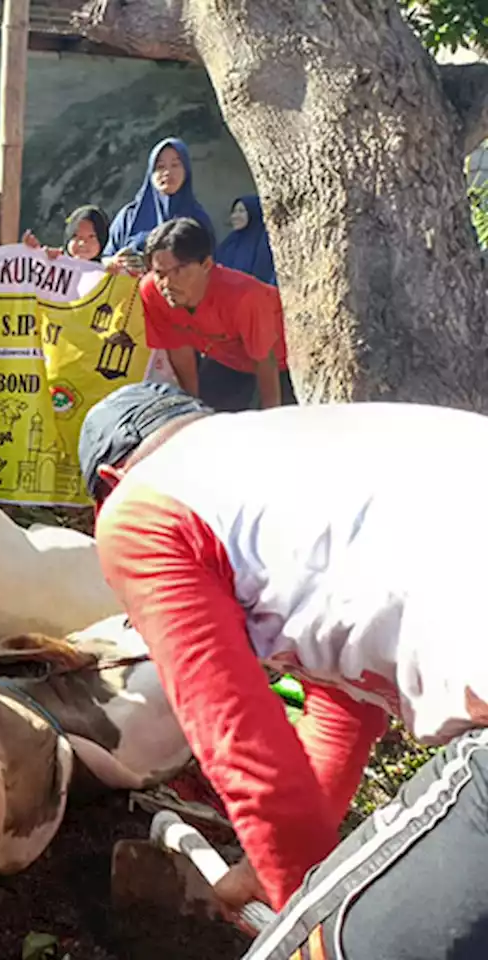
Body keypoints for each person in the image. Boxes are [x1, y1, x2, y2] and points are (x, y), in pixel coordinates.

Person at [78, 380, 488, 959]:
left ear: (108, 488)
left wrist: (302, 916)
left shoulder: (140, 510)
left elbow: (245, 752)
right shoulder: (294, 465)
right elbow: (343, 714)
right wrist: (271, 868)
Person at [140, 217, 294, 411]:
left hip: (282, 363)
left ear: (206, 265)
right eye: (160, 273)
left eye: (179, 270)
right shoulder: (151, 291)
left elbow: (265, 360)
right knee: (205, 419)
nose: (167, 284)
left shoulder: (244, 296)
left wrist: (272, 415)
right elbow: (179, 349)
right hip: (228, 359)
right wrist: (193, 406)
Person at [104, 138, 214, 265]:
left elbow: (208, 267)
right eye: (160, 167)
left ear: (186, 171)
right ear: (150, 173)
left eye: (175, 165)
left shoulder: (198, 220)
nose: (167, 172)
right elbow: (106, 258)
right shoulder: (129, 216)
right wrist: (115, 262)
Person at [216, 194, 277, 286]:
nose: (235, 216)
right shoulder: (229, 242)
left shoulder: (265, 244)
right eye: (234, 211)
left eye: (241, 211)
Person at [22, 204, 110, 263]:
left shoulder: (111, 271)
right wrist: (35, 255)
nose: (82, 243)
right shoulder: (56, 260)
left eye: (91, 237)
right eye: (75, 236)